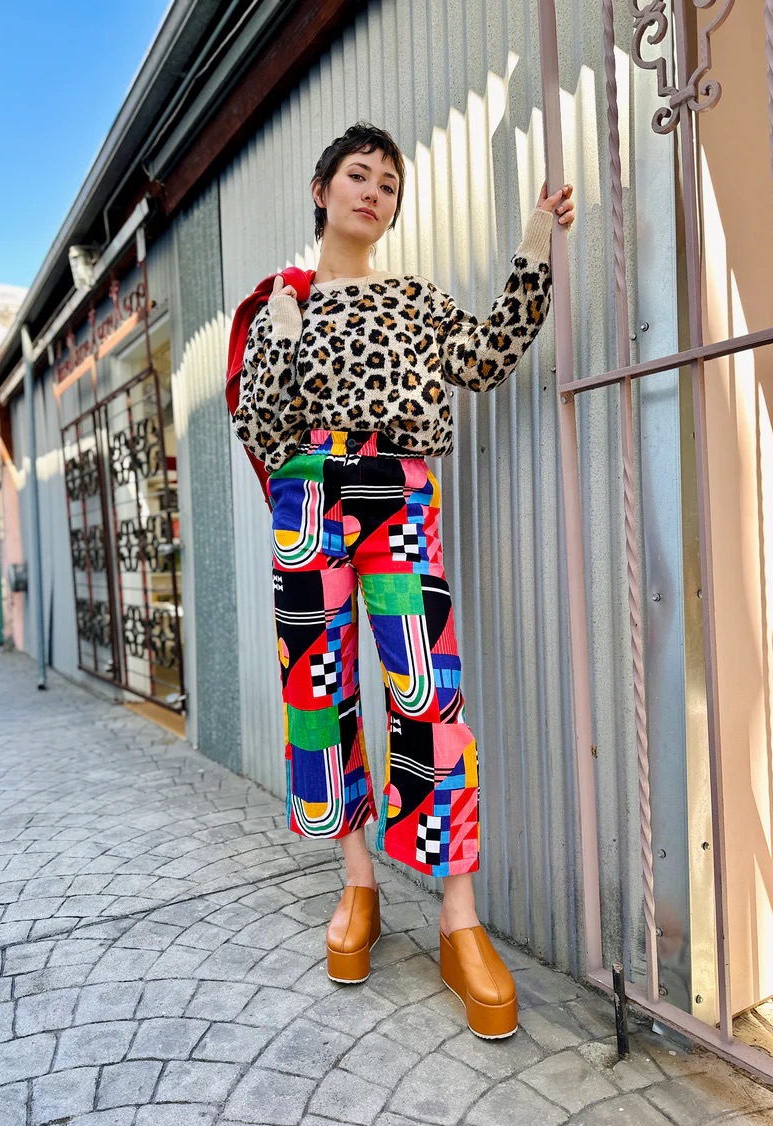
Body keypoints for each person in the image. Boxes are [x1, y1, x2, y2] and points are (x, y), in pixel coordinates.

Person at [232, 121, 574, 1039]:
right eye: (357, 174)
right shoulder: (281, 301)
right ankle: (358, 885)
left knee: (429, 696)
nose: (373, 191)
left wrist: (534, 239)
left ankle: (458, 918)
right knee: (320, 693)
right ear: (321, 188)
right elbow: (260, 420)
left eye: (388, 182)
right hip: (308, 496)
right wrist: (283, 328)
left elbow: (489, 356)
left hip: (395, 489)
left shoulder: (414, 299)